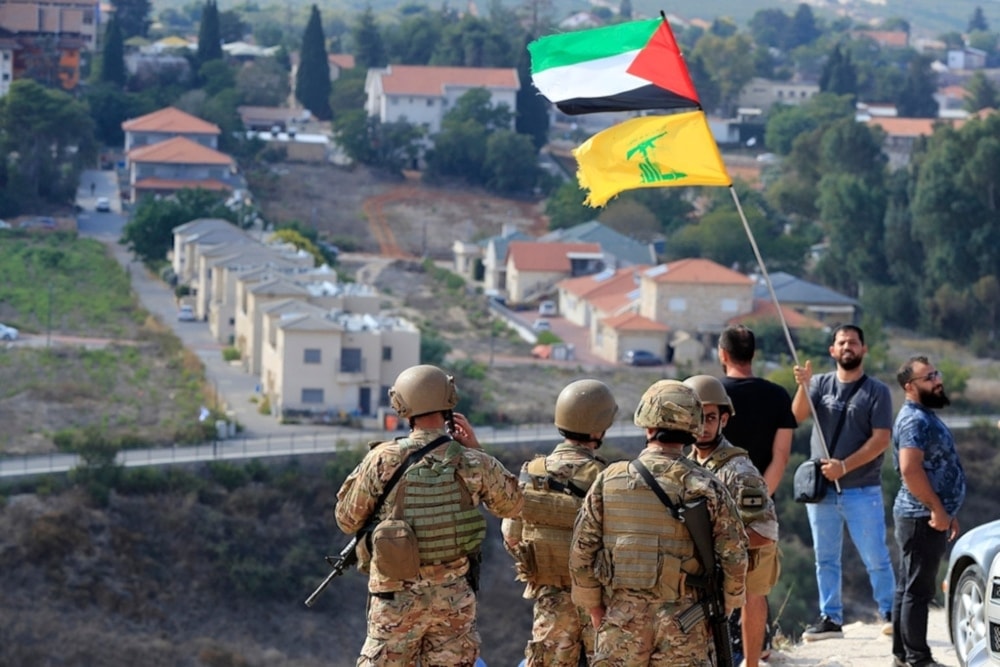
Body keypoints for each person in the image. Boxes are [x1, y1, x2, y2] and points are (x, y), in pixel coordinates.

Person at [335, 364, 523, 666]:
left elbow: (346, 520)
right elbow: (512, 505)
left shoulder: (383, 459)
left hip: (395, 600)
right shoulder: (473, 462)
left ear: (402, 406)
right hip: (454, 603)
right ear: (449, 401)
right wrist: (477, 449)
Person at [569, 379, 748, 666]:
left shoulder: (608, 480)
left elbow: (581, 551)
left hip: (621, 619)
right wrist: (728, 602)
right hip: (684, 624)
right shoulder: (705, 485)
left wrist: (594, 607)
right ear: (693, 427)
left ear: (646, 425)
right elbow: (735, 554)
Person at [502, 379, 619, 667]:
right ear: (598, 428)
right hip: (598, 604)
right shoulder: (606, 477)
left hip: (550, 600)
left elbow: (511, 536)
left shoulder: (532, 472)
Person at [792, 324, 896, 641]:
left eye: (853, 342)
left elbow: (881, 440)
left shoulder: (877, 391)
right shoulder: (820, 384)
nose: (847, 346)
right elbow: (795, 417)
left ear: (864, 349)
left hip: (862, 490)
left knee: (875, 557)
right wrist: (802, 385)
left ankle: (891, 613)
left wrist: (845, 466)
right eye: (842, 342)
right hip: (822, 491)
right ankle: (830, 618)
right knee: (825, 558)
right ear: (833, 351)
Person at [684, 375, 779, 667]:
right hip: (707, 556)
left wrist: (719, 546)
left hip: (747, 553)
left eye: (710, 417)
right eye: (696, 417)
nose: (703, 426)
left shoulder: (739, 471)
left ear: (724, 420)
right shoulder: (684, 463)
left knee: (752, 594)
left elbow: (764, 532)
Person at [891, 357, 966, 667]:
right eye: (928, 378)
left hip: (925, 514)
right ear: (910, 387)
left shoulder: (922, 415)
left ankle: (902, 655)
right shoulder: (914, 420)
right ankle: (917, 658)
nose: (937, 381)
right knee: (918, 590)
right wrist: (937, 507)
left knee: (908, 586)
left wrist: (946, 508)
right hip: (921, 516)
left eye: (936, 373)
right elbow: (910, 469)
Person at [718, 325, 797, 496]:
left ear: (723, 354)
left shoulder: (710, 394)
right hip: (760, 501)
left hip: (714, 500)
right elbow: (781, 457)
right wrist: (759, 500)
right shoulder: (778, 395)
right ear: (753, 354)